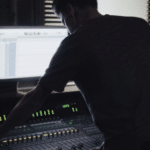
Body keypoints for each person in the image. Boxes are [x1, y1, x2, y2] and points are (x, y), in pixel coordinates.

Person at [0, 0, 150, 150]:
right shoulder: (139, 25)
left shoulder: (77, 41)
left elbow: (34, 99)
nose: (66, 26)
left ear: (71, 10)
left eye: (62, 20)